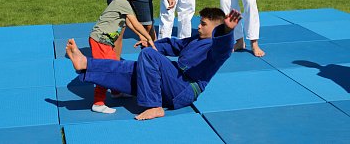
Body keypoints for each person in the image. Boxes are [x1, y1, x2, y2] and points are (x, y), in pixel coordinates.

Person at [66, 8, 241, 120]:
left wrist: (226, 30)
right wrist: (152, 43)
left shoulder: (216, 48)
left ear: (216, 27)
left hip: (185, 89)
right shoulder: (196, 39)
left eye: (203, 24)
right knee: (132, 68)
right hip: (173, 83)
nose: (199, 27)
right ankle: (85, 64)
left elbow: (223, 49)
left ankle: (155, 106)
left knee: (148, 56)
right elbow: (174, 45)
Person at [88, 0, 156, 114]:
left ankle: (116, 92)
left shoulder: (121, 3)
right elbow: (136, 23)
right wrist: (148, 38)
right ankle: (98, 103)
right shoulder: (122, 3)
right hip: (100, 41)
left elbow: (128, 23)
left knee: (115, 65)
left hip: (104, 41)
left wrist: (139, 36)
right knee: (107, 69)